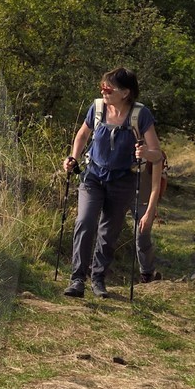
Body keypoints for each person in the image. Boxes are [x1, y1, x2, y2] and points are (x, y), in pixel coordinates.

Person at [61, 67, 163, 298]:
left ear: (126, 92)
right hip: (93, 176)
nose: (104, 90)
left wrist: (146, 153)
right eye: (103, 86)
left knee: (108, 232)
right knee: (85, 221)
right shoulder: (97, 108)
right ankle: (77, 279)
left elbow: (157, 154)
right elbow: (82, 135)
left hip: (123, 180)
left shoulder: (140, 115)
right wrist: (72, 158)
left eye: (110, 87)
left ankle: (98, 278)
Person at [135, 151, 168, 283]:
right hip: (121, 194)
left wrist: (154, 205)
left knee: (142, 234)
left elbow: (162, 180)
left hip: (145, 199)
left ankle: (147, 273)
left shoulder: (157, 154)